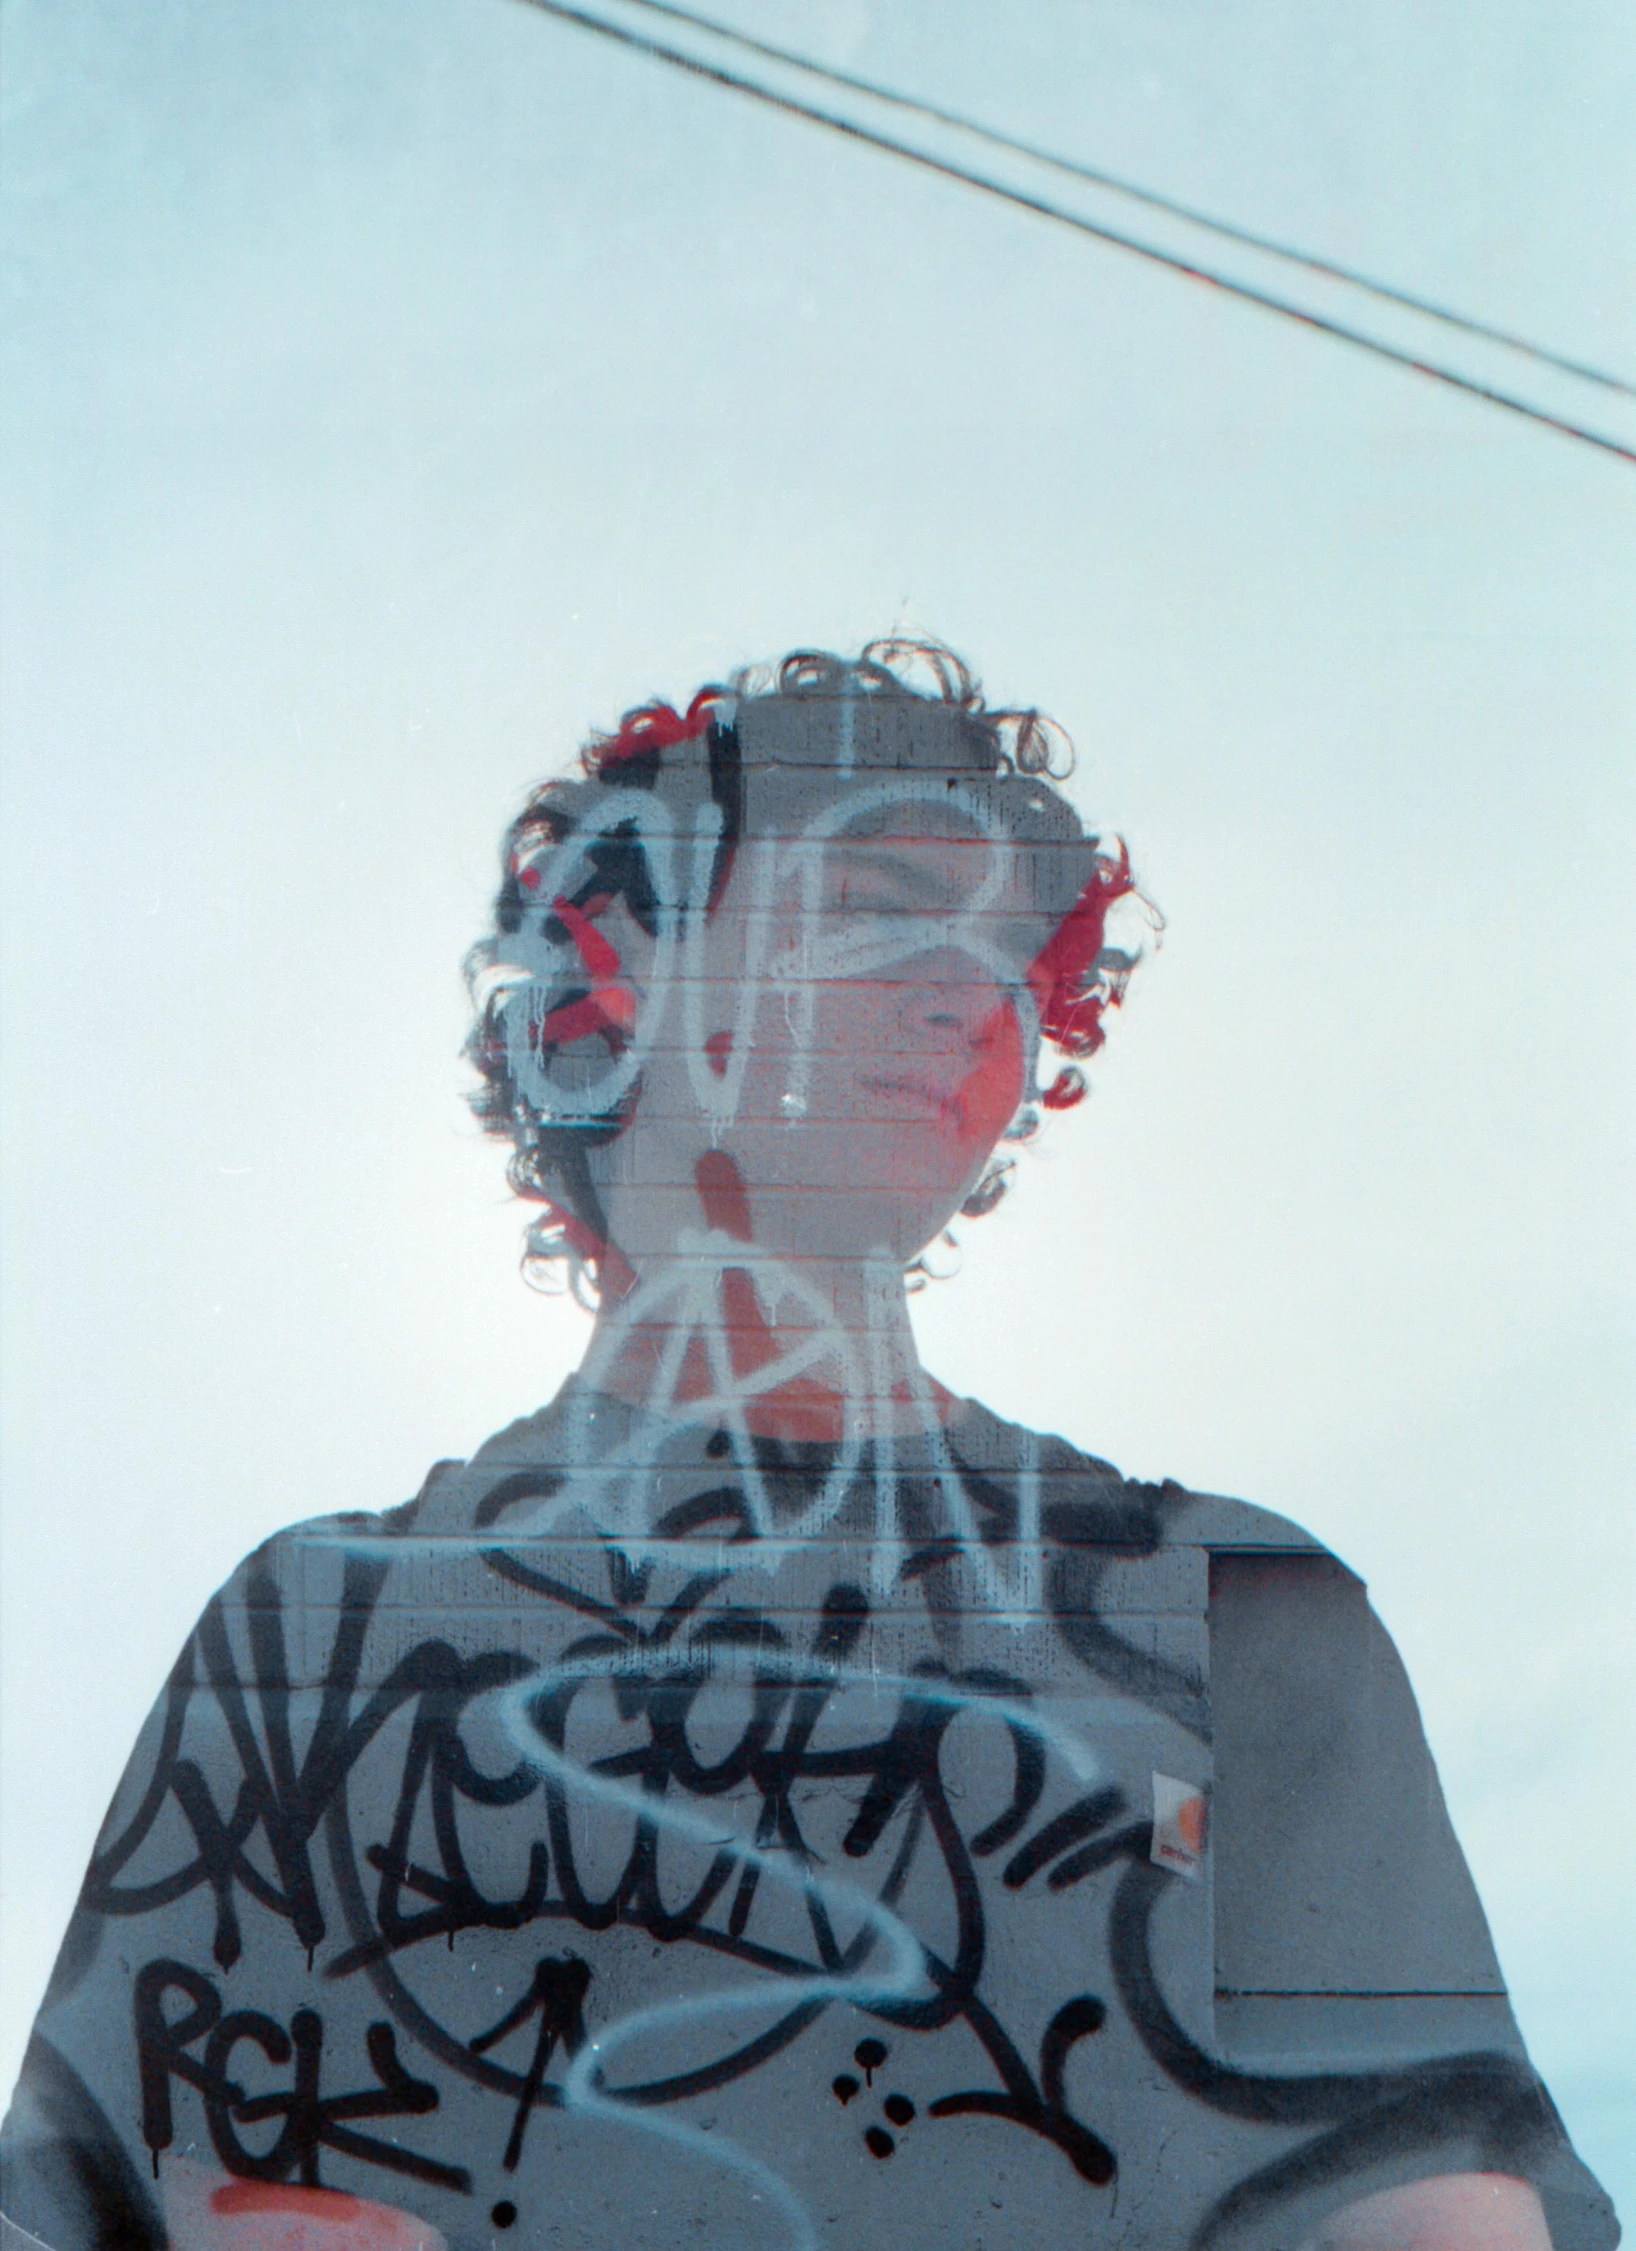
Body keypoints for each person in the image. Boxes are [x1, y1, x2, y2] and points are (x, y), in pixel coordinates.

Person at [0, 641, 1618, 2251]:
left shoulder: (1233, 1613)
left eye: (1004, 958)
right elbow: (123, 2197)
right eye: (873, 906)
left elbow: (1437, 2213)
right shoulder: (315, 1639)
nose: (960, 993)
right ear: (615, 954)